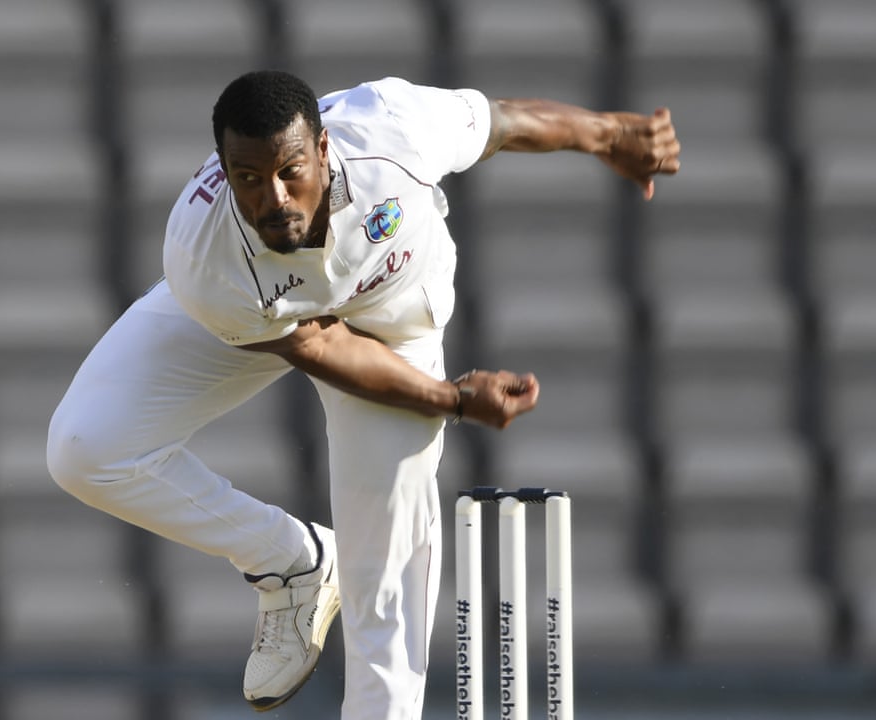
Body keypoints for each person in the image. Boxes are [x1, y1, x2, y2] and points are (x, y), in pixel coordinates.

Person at [47, 70, 679, 719]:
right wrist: (453, 399)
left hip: (394, 315)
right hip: (269, 317)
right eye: (248, 178)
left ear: (323, 148)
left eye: (290, 171)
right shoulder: (202, 254)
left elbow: (502, 123)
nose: (273, 198)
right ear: (225, 169)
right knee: (85, 449)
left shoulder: (390, 130)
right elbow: (324, 349)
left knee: (384, 590)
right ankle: (291, 561)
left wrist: (610, 135)